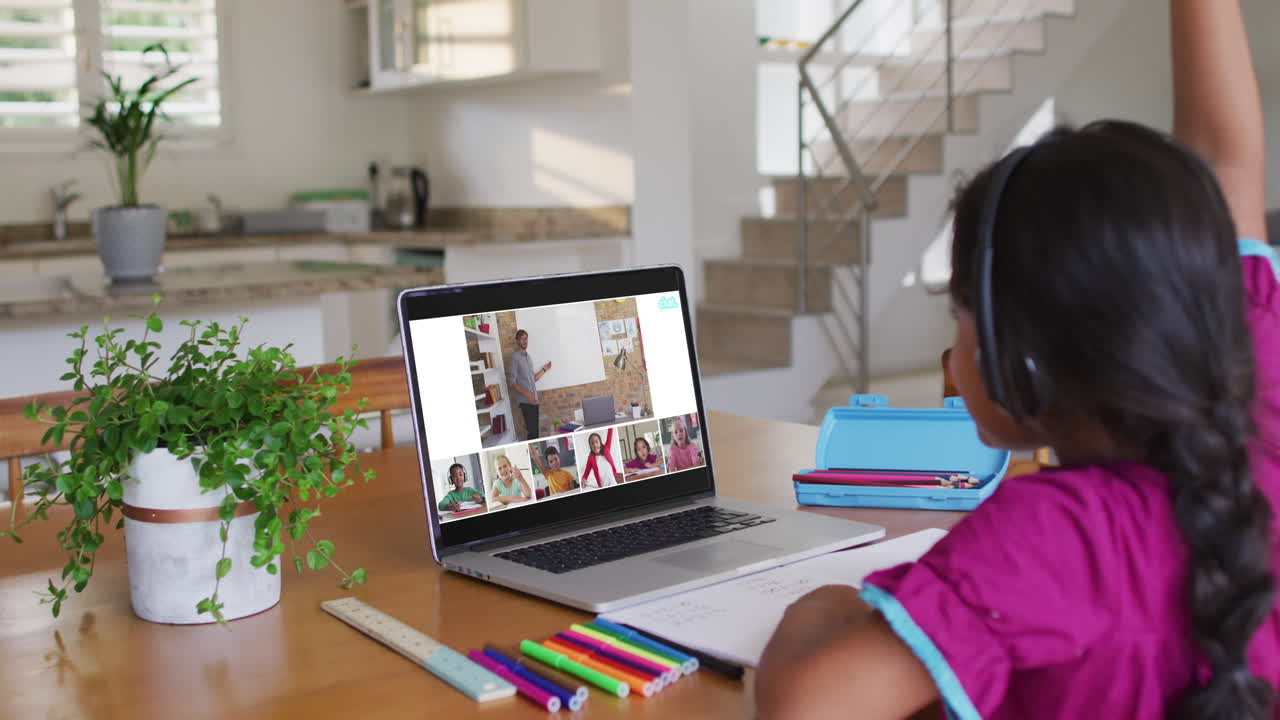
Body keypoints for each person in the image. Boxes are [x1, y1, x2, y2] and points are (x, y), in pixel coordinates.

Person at [755, 2, 1280, 719]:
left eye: (960, 311)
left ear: (1019, 354)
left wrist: (823, 605)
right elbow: (1225, 159)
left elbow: (807, 707)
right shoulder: (1258, 374)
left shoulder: (1054, 535)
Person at [509, 329, 552, 440]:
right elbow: (512, 382)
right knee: (532, 433)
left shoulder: (529, 357)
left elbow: (533, 379)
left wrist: (544, 369)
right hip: (525, 401)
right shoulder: (515, 357)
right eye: (522, 339)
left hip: (534, 400)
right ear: (517, 341)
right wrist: (528, 395)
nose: (525, 341)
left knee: (535, 432)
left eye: (526, 338)